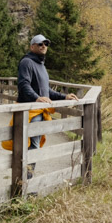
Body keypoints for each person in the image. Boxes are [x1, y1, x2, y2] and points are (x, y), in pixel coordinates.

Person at [16, 34, 79, 176]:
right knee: (32, 146)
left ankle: (26, 181)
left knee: (34, 146)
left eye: (46, 44)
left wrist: (64, 97)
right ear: (32, 47)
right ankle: (26, 183)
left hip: (39, 111)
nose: (43, 46)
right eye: (40, 44)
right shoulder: (27, 62)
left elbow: (46, 91)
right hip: (31, 112)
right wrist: (37, 98)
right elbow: (23, 84)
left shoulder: (40, 65)